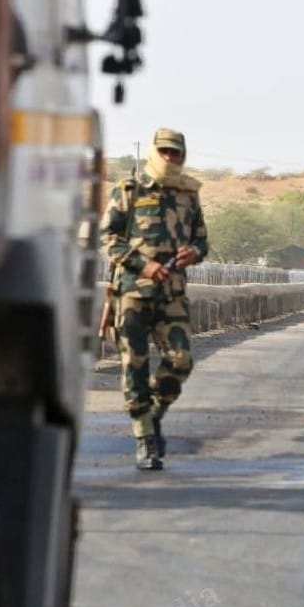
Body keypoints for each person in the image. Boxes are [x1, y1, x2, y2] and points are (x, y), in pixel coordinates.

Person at [100, 128, 209, 470]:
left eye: (175, 153)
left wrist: (194, 252)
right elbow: (109, 237)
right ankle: (145, 439)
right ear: (153, 152)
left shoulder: (189, 196)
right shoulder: (129, 190)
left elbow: (202, 241)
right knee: (134, 363)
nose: (169, 158)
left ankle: (153, 414)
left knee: (182, 360)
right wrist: (142, 264)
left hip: (172, 294)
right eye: (164, 152)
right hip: (133, 293)